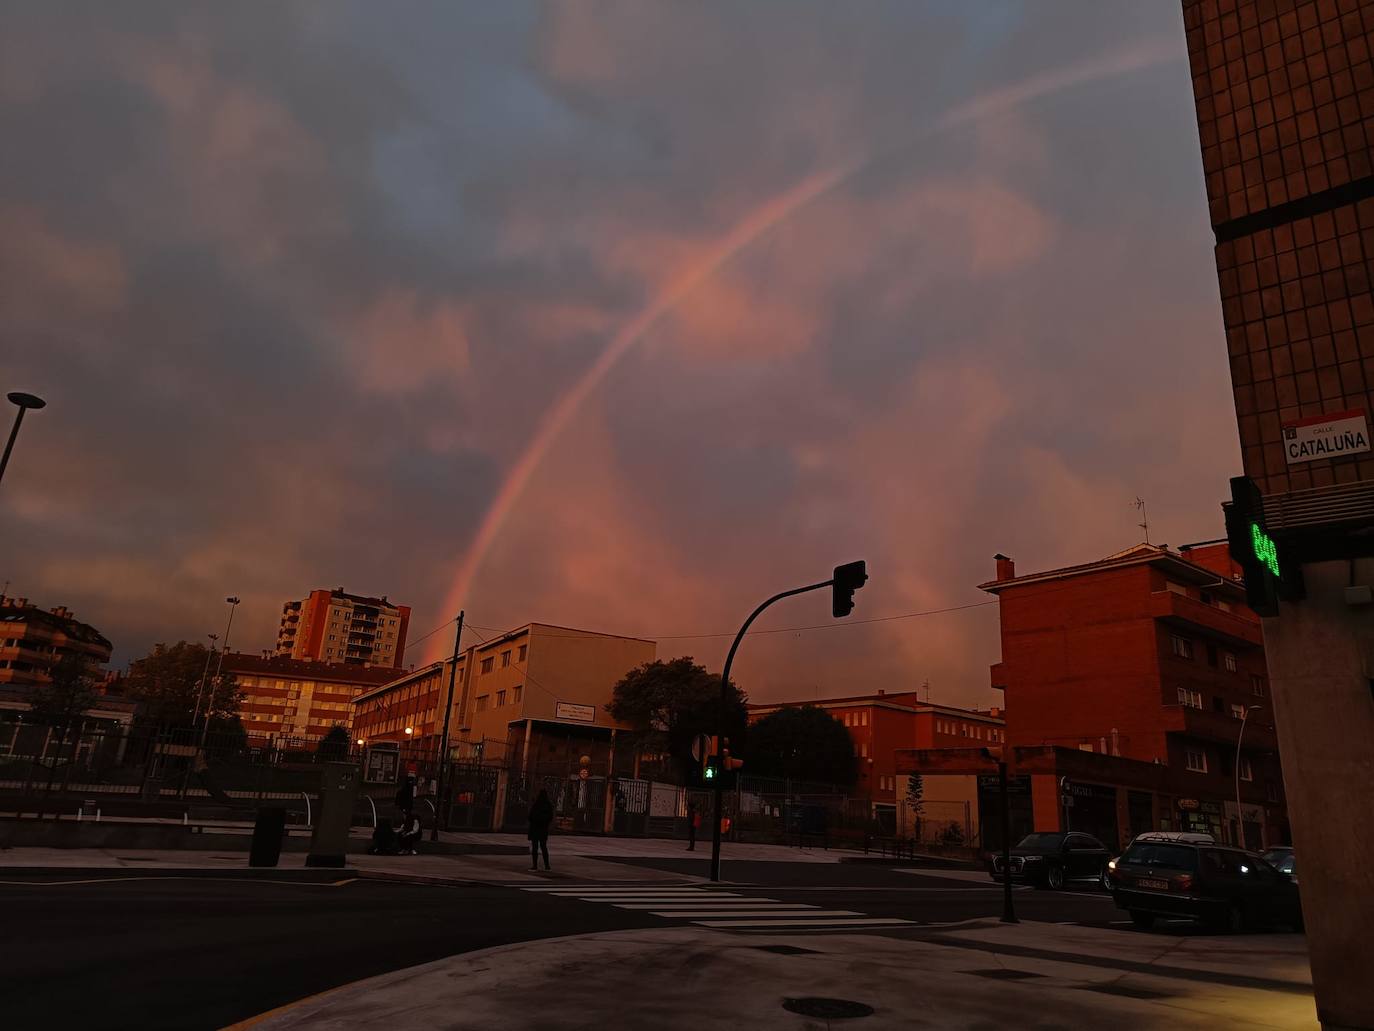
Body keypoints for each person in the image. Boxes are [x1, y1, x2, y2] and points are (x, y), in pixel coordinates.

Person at [528, 788, 553, 870]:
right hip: (543, 829)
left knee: (535, 848)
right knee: (543, 847)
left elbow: (530, 816)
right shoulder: (548, 805)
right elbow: (550, 817)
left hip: (535, 829)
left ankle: (535, 865)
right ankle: (547, 865)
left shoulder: (536, 804)